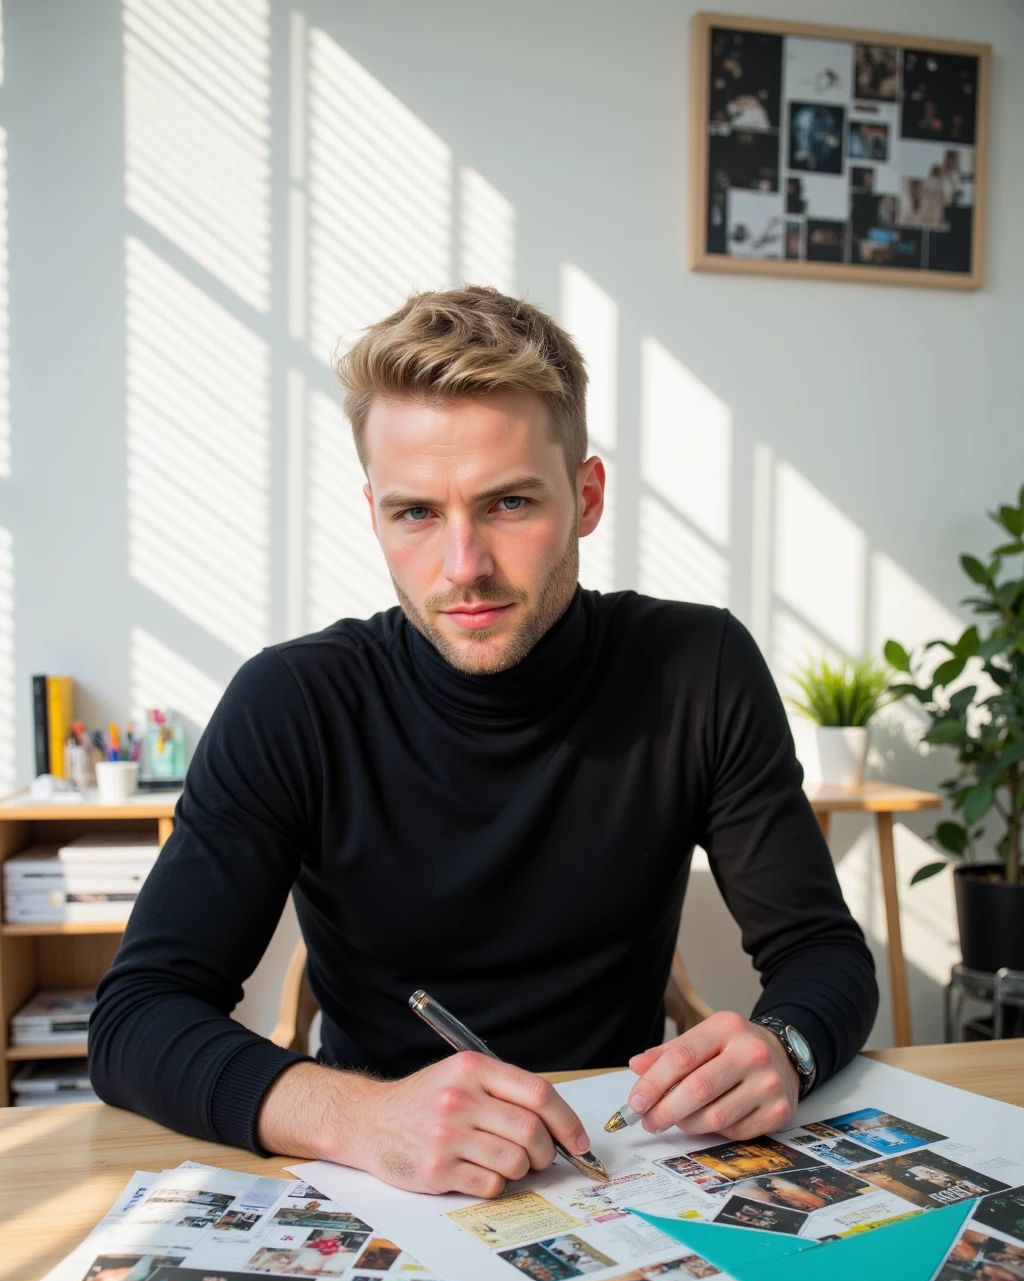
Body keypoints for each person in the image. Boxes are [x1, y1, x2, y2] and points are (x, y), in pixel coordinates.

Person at [89, 286, 877, 1198]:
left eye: (508, 503)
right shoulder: (292, 700)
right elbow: (136, 1018)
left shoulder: (700, 668)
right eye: (416, 513)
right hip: (384, 1172)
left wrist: (786, 1047)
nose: (463, 567)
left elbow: (823, 954)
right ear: (375, 513)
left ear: (586, 497)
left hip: (624, 1158)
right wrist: (362, 1118)